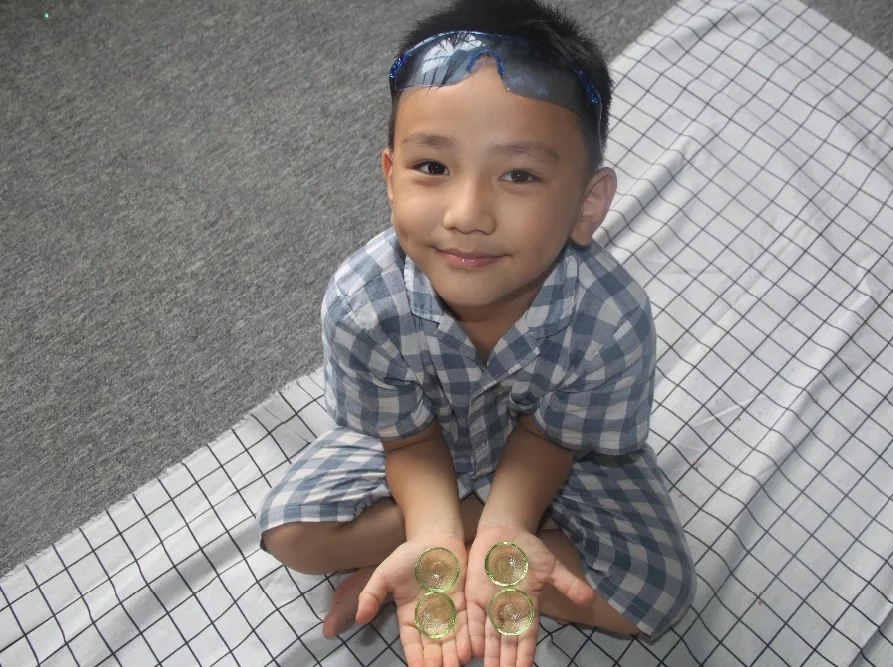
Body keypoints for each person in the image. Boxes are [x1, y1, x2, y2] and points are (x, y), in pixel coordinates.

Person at [257, 0, 695, 664]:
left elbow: (552, 437)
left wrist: (507, 525)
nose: (466, 214)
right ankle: (464, 543)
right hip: (424, 444)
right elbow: (408, 439)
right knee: (292, 535)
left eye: (518, 175)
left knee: (658, 593)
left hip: (556, 461)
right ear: (390, 177)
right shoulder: (362, 302)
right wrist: (435, 535)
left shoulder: (610, 320)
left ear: (587, 205)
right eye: (433, 167)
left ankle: (485, 543)